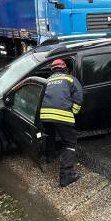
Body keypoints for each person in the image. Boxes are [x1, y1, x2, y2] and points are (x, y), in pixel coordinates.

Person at [40, 59, 84, 187]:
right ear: (64, 68)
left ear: (52, 70)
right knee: (70, 142)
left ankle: (50, 156)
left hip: (45, 115)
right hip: (62, 115)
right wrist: (73, 112)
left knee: (50, 134)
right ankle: (66, 175)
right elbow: (79, 97)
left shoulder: (47, 81)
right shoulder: (70, 79)